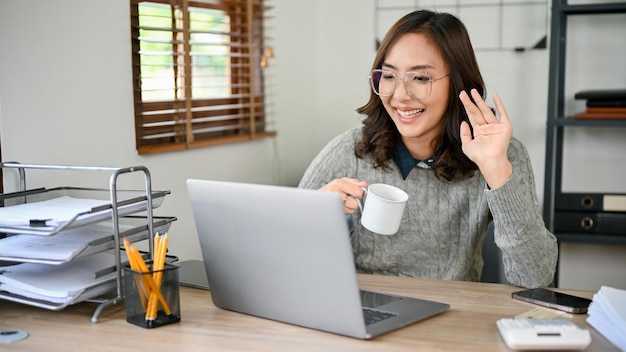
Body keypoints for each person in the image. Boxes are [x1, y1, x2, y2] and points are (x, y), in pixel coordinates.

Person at [298, 10, 557, 289]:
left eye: (420, 78)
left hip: (453, 315)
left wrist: (496, 168)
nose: (399, 96)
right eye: (388, 76)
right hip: (363, 310)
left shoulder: (500, 153)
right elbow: (279, 245)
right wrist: (314, 216)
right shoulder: (350, 150)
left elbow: (535, 278)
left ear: (457, 82)